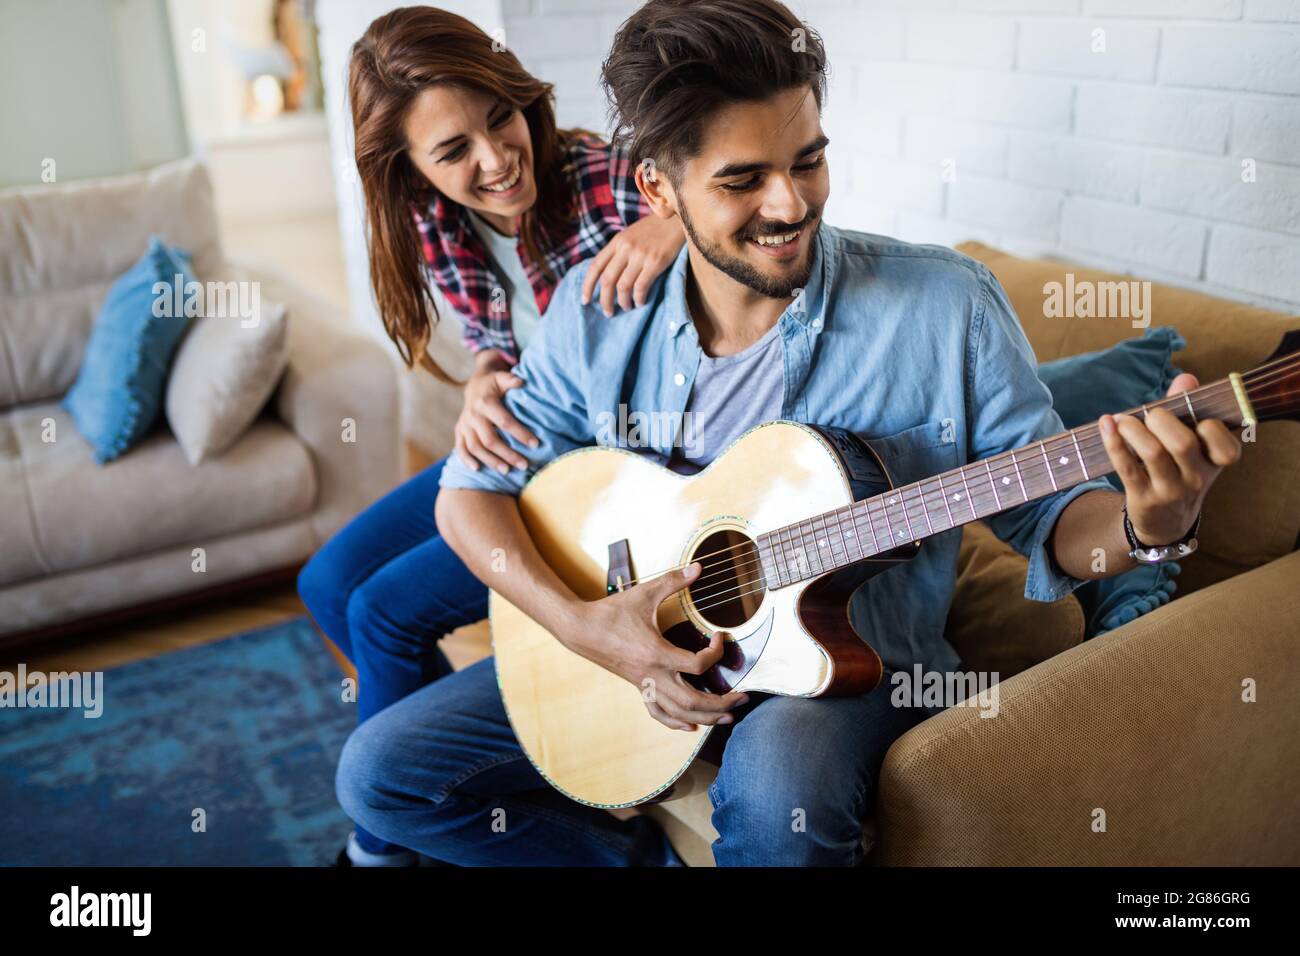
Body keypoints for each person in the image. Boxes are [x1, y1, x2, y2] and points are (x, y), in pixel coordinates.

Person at [335, 0, 1242, 866]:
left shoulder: (946, 307)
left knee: (777, 793)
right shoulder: (597, 312)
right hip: (630, 641)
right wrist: (588, 630)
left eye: (808, 160)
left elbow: (1051, 525)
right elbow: (468, 494)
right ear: (657, 187)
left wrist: (1148, 528)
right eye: (741, 180)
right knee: (379, 776)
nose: (791, 205)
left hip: (841, 661)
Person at [297, 6, 684, 867]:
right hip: (520, 449)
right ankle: (490, 785)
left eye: (499, 118)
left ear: (520, 99)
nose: (497, 159)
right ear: (409, 169)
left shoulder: (611, 180)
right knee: (327, 582)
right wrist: (480, 380)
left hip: (595, 477)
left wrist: (674, 223)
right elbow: (499, 345)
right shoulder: (434, 223)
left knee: (382, 613)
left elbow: (729, 203)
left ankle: (382, 849)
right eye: (453, 151)